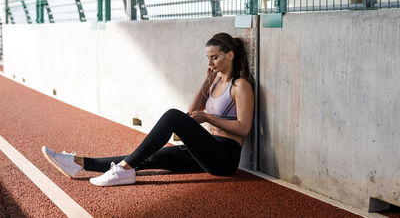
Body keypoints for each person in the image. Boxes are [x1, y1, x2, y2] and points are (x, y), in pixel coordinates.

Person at [42, 32, 254, 187]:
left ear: (230, 55)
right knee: (147, 157)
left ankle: (123, 170)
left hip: (224, 158)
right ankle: (77, 163)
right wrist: (206, 81)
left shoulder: (240, 86)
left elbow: (243, 128)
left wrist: (208, 117)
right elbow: (191, 113)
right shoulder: (215, 80)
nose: (210, 62)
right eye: (207, 58)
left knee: (172, 115)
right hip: (205, 151)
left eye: (214, 57)